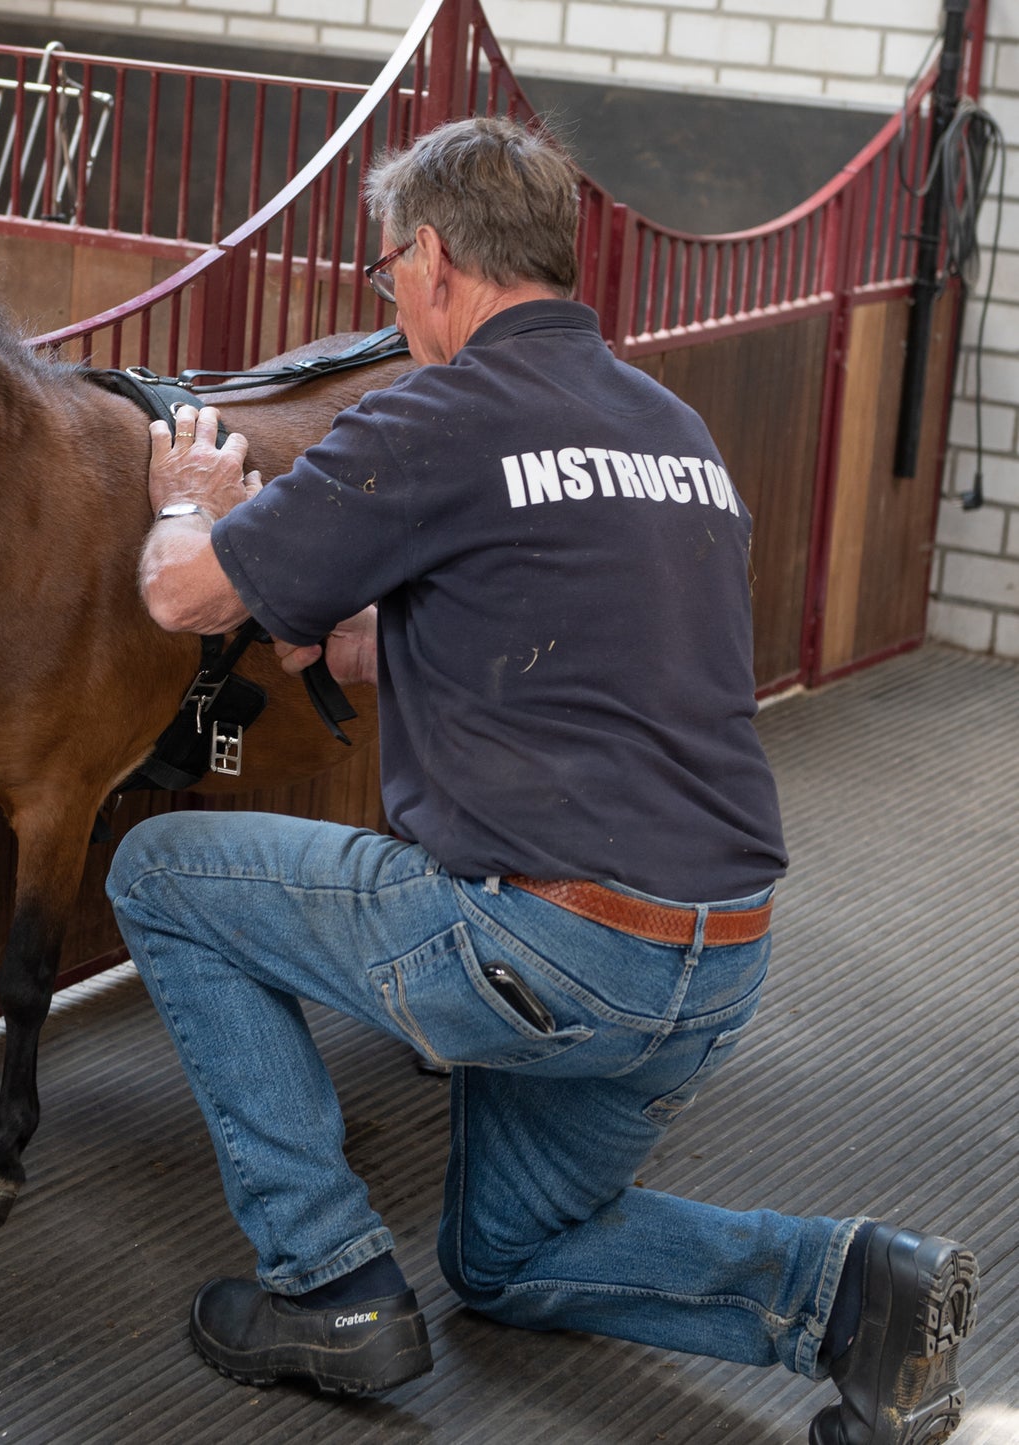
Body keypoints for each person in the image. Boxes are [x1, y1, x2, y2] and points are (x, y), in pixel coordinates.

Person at [104, 117, 978, 1444]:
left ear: (437, 258)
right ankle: (858, 1288)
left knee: (159, 874)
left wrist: (187, 499)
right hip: (715, 951)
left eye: (387, 265)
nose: (388, 293)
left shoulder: (439, 413)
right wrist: (342, 620)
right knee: (508, 1255)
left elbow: (178, 597)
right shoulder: (666, 427)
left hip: (544, 940)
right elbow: (533, 628)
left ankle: (326, 1278)